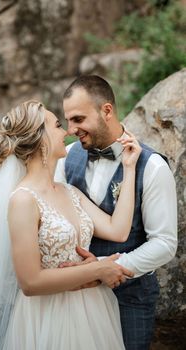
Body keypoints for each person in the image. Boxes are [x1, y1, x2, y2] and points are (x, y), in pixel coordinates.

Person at [0, 100, 142, 349]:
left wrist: (129, 169)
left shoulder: (69, 192)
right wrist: (97, 270)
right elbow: (30, 283)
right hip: (47, 319)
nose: (67, 132)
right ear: (41, 138)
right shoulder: (23, 200)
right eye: (58, 125)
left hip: (90, 312)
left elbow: (118, 230)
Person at [55, 75, 178, 350]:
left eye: (78, 119)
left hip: (130, 300)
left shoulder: (152, 166)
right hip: (76, 298)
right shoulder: (66, 158)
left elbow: (165, 243)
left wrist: (105, 269)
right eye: (68, 120)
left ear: (106, 111)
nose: (71, 129)